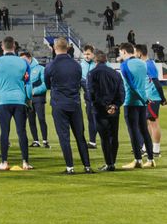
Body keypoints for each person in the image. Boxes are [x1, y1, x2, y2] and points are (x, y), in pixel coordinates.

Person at [0, 36, 33, 170]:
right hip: (20, 101)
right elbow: (28, 84)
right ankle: (25, 162)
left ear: (2, 47)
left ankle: (4, 162)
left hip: (3, 101)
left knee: (4, 132)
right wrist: (29, 101)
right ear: (14, 46)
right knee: (22, 132)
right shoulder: (24, 63)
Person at [44, 38, 91, 173]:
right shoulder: (76, 65)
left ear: (54, 48)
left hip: (59, 104)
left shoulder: (51, 66)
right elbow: (78, 81)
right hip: (75, 103)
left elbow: (47, 84)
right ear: (68, 48)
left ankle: (70, 167)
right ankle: (87, 166)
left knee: (64, 137)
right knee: (80, 136)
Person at [117, 42, 158, 168]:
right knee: (144, 130)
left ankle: (138, 160)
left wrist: (142, 99)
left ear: (124, 51)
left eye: (120, 52)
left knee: (133, 132)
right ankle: (151, 160)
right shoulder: (143, 63)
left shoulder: (124, 65)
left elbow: (131, 86)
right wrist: (144, 99)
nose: (120, 55)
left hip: (131, 101)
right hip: (142, 102)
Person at [86, 50, 124, 170]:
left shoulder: (92, 73)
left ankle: (109, 163)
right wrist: (115, 106)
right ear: (106, 60)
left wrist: (105, 106)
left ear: (95, 60)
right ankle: (112, 163)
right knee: (114, 136)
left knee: (104, 137)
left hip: (100, 110)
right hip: (114, 110)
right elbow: (122, 93)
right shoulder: (116, 74)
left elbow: (91, 93)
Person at [27, 55, 48, 147]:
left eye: (24, 59)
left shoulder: (40, 68)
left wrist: (34, 91)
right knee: (31, 120)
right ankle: (36, 141)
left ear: (29, 58)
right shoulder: (23, 69)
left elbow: (45, 84)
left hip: (39, 97)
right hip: (28, 98)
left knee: (41, 118)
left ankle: (45, 141)